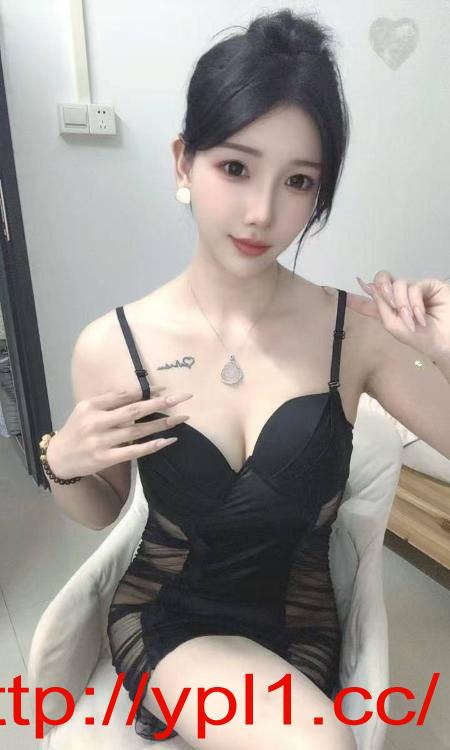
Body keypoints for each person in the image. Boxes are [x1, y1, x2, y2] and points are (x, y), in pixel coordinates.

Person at [40, 7, 450, 750]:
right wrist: (62, 463)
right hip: (169, 617)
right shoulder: (114, 344)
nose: (262, 212)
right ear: (183, 163)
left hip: (301, 622)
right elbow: (102, 512)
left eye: (298, 181)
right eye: (235, 168)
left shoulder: (354, 332)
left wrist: (446, 350)